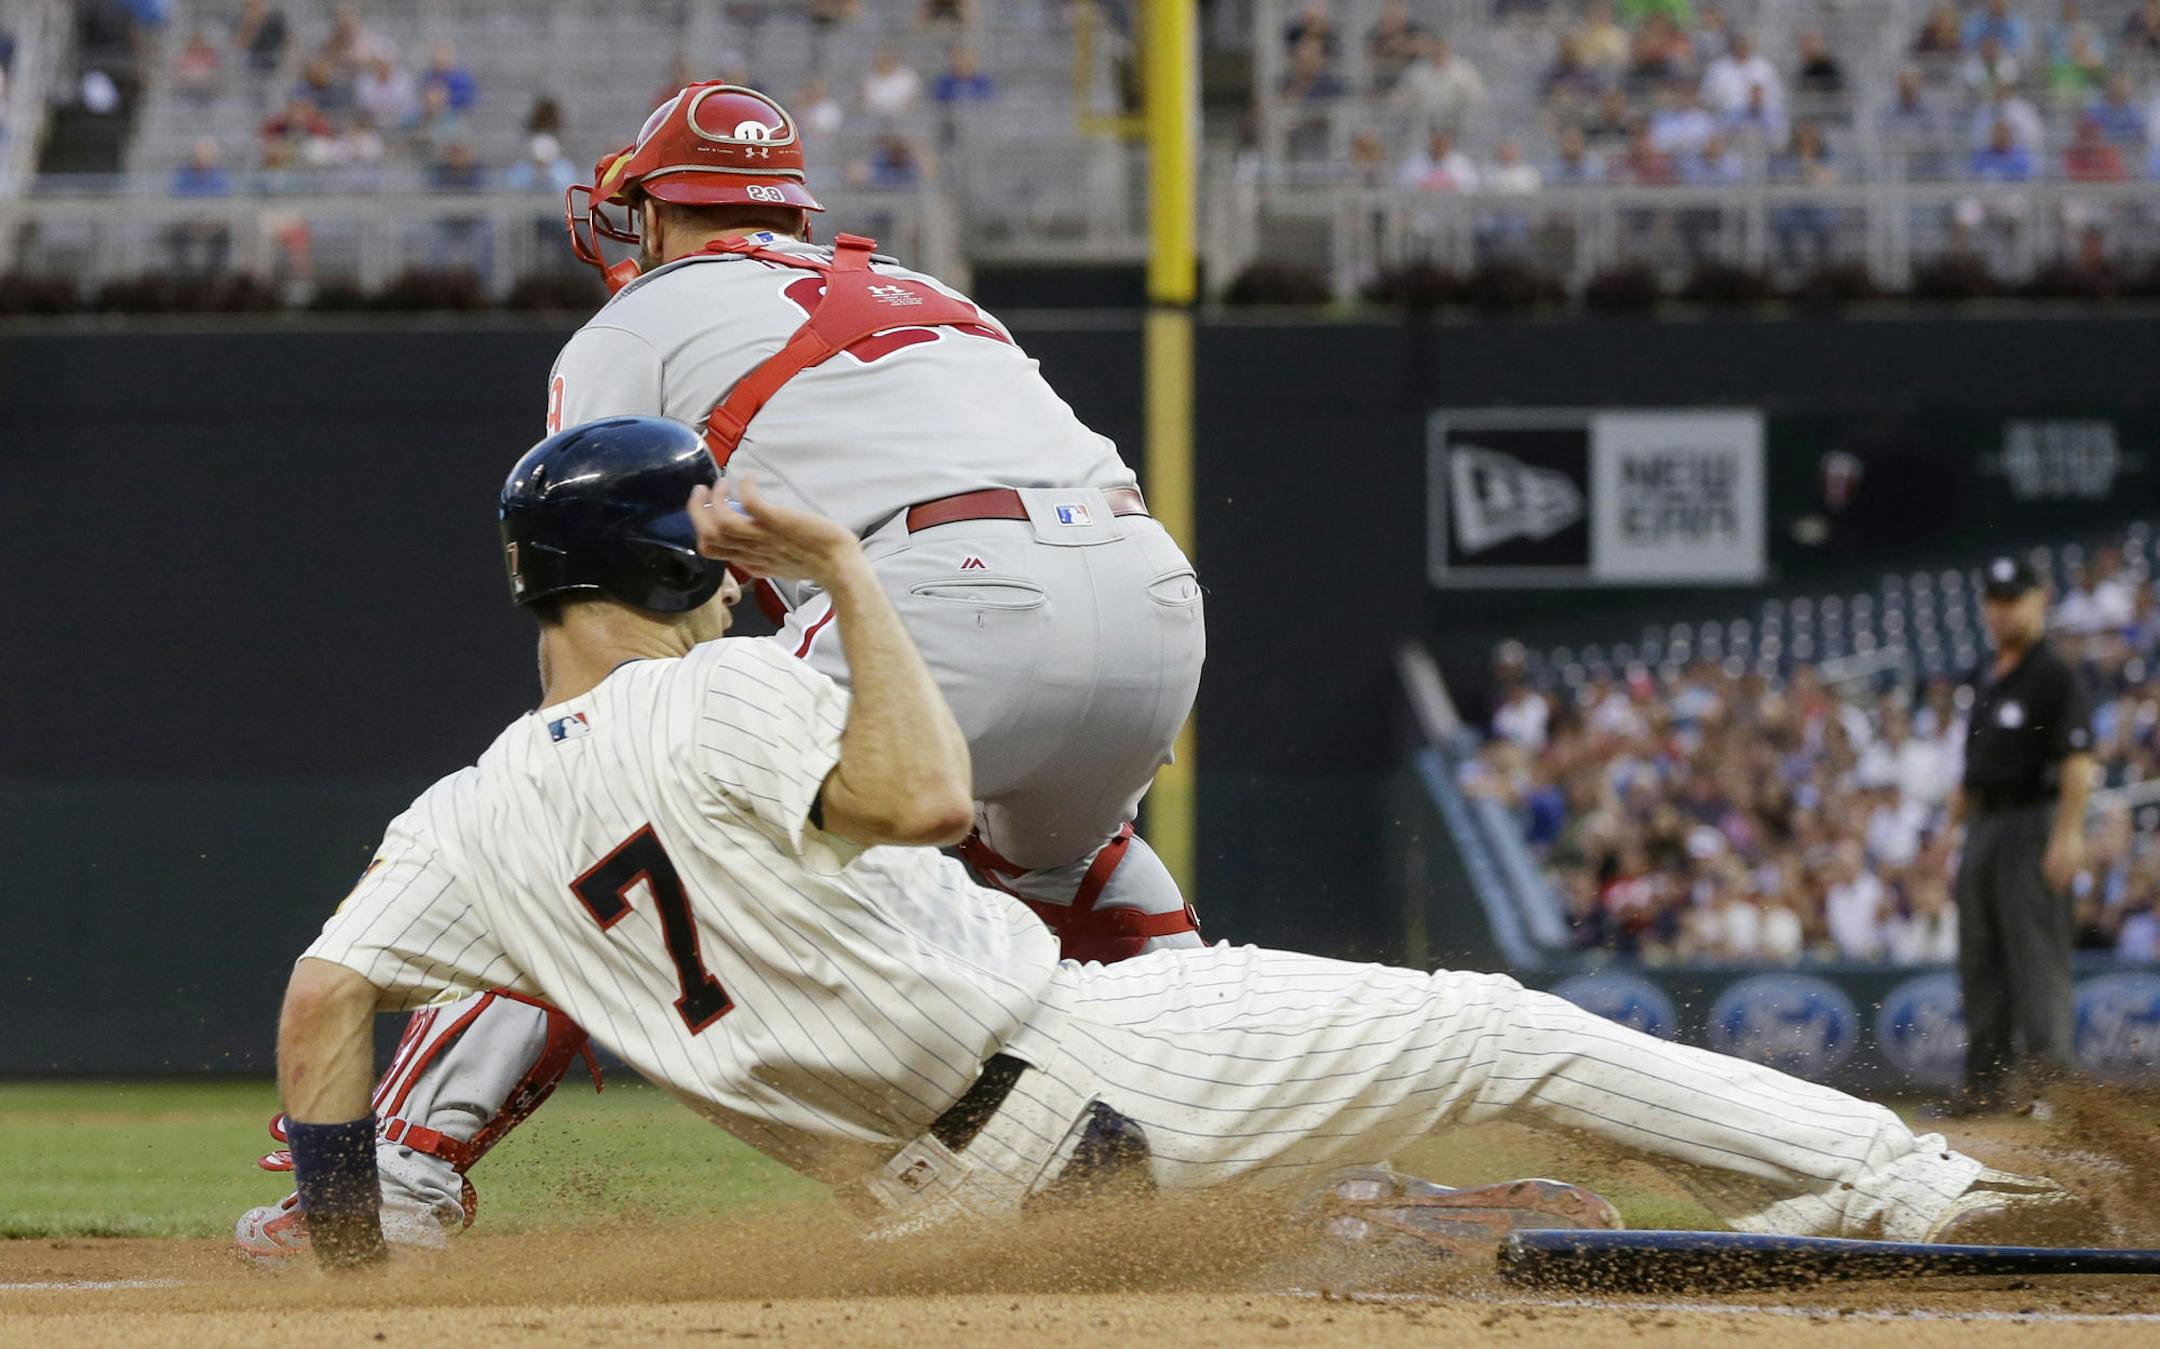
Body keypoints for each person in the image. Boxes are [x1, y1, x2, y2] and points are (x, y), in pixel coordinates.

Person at [264, 415, 2086, 1272]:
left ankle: (1453, 1238)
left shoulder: (470, 812)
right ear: (676, 562)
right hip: (1079, 1057)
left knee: (1320, 1247)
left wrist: (350, 1248)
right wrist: (838, 571)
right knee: (1498, 1025)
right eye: (713, 548)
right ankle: (1920, 1197)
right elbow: (917, 799)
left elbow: (324, 1001)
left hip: (940, 1208)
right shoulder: (729, 689)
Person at [237, 83, 1207, 1259]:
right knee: (1075, 867)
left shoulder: (640, 322)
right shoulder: (929, 291)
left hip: (939, 585)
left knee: (592, 821)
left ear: (649, 207)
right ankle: (1287, 1158)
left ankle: (397, 1174)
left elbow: (608, 564)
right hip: (1151, 596)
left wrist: (579, 775)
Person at [1946, 557, 2096, 1115]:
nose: (2002, 610)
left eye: (2013, 598)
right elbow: (1970, 770)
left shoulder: (2055, 674)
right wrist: (1949, 835)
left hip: (2033, 821)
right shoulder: (1988, 674)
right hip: (1983, 825)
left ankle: (2051, 1088)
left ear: (2040, 600)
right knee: (1979, 958)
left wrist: (2069, 835)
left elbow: (2078, 759)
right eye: (1995, 599)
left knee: (2036, 957)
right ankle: (1984, 1088)